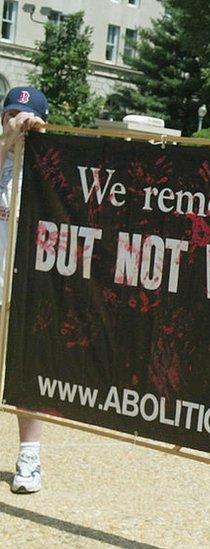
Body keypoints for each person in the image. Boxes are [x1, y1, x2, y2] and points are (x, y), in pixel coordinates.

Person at [0, 86, 48, 494]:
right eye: (10, 114)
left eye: (25, 116)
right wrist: (6, 141)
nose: (17, 121)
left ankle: (29, 457)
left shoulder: (48, 168)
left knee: (23, 374)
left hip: (27, 286)